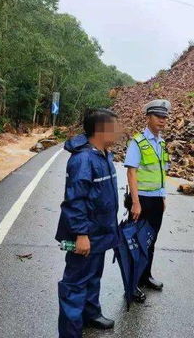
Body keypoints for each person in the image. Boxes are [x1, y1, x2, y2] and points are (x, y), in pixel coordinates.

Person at [55, 108, 121, 338]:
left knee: (94, 276)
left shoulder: (105, 154)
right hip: (85, 234)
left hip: (101, 232)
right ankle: (70, 333)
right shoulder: (84, 159)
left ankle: (91, 314)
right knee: (74, 285)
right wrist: (81, 234)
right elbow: (75, 200)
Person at [124, 99, 171, 292]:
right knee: (137, 241)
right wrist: (135, 202)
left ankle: (145, 276)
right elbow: (131, 172)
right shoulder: (138, 142)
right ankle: (132, 283)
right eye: (158, 117)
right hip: (141, 200)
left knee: (151, 241)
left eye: (165, 117)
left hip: (156, 200)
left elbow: (161, 172)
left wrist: (163, 197)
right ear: (148, 118)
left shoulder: (161, 143)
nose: (162, 121)